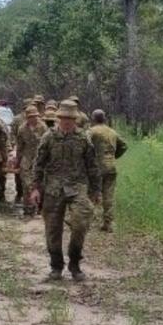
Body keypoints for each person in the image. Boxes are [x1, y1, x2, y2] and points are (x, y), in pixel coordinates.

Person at [31, 100, 100, 281]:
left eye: (70, 118)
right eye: (63, 118)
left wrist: (96, 191)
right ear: (58, 118)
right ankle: (56, 266)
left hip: (78, 186)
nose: (67, 121)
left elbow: (92, 166)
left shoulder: (83, 138)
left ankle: (75, 263)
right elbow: (38, 164)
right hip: (53, 188)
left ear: (75, 119)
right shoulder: (49, 137)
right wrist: (35, 188)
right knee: (53, 229)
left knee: (80, 223)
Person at [88, 109, 128, 232]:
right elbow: (124, 145)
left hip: (96, 167)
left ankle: (86, 221)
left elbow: (84, 144)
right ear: (104, 119)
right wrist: (114, 156)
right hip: (111, 167)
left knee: (91, 193)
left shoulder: (91, 131)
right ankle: (108, 223)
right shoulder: (112, 132)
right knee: (108, 195)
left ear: (93, 119)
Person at [14, 105, 48, 217]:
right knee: (26, 184)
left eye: (34, 116)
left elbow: (48, 145)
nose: (32, 119)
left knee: (40, 184)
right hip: (27, 158)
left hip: (40, 158)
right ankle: (28, 209)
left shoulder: (43, 127)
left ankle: (39, 207)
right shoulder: (22, 129)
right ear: (26, 117)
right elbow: (19, 146)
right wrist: (17, 161)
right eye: (30, 117)